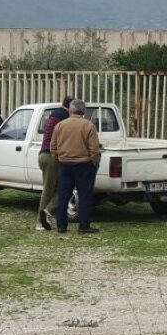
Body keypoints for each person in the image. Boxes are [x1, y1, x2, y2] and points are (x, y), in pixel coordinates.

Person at [52, 99, 102, 234]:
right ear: (83, 111)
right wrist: (94, 163)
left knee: (63, 196)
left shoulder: (60, 125)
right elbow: (94, 149)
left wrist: (59, 158)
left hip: (64, 165)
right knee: (84, 196)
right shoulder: (88, 126)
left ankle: (61, 225)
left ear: (70, 109)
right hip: (84, 165)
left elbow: (53, 147)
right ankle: (83, 226)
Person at [36, 96, 73, 231]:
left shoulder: (55, 113)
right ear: (70, 107)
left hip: (44, 154)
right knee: (49, 189)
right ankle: (41, 220)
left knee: (60, 189)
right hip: (51, 156)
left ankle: (47, 214)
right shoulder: (63, 116)